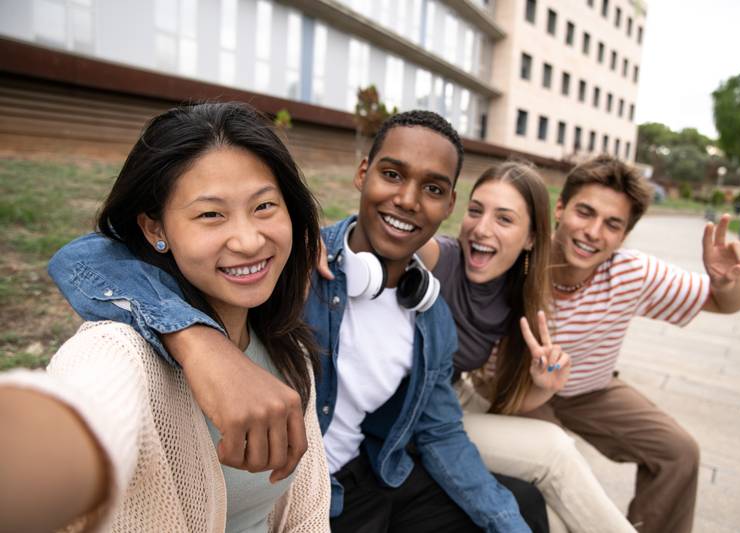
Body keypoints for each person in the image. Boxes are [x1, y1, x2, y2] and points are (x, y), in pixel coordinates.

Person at [44, 110, 547, 532]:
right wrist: (199, 341)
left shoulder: (406, 317)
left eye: (265, 208)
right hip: (325, 495)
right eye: (392, 175)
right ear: (362, 173)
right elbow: (86, 260)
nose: (409, 200)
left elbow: (439, 433)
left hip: (353, 481)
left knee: (519, 505)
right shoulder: (301, 273)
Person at [0, 102, 330, 532]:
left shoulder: (288, 347)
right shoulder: (115, 352)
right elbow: (66, 436)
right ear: (156, 230)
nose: (249, 240)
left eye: (264, 206)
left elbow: (306, 517)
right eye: (211, 214)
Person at [509, 155, 740, 533]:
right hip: (521, 391)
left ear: (623, 236)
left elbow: (726, 303)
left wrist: (728, 284)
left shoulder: (631, 272)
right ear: (560, 207)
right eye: (584, 212)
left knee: (678, 453)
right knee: (560, 465)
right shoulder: (520, 257)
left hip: (590, 389)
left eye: (612, 224)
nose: (593, 232)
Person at [406, 161, 636, 533]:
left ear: (531, 237)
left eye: (504, 219)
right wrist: (329, 242)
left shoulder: (516, 292)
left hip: (455, 397)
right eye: (476, 210)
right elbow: (379, 234)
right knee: (554, 452)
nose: (481, 228)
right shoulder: (441, 258)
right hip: (418, 414)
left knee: (558, 513)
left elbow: (511, 403)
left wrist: (543, 385)